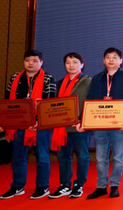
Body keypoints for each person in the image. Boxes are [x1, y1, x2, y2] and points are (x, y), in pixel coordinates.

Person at [0, 50, 56, 200]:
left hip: (38, 125)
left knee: (42, 157)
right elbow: (7, 102)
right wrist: (3, 122)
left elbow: (50, 103)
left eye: (35, 60)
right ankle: (17, 186)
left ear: (41, 63)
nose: (30, 63)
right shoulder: (15, 77)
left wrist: (38, 121)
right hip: (18, 124)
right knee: (18, 157)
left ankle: (43, 186)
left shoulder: (48, 78)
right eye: (27, 60)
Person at [79, 47, 123, 199]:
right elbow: (89, 99)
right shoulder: (97, 78)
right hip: (100, 124)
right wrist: (84, 120)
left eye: (115, 57)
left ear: (121, 61)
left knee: (117, 158)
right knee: (101, 158)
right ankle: (101, 186)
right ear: (103, 60)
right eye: (108, 57)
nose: (111, 60)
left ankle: (115, 185)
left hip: (119, 124)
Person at [48, 53, 91, 199]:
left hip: (79, 126)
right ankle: (65, 185)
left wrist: (82, 121)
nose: (71, 65)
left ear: (82, 65)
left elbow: (90, 104)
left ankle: (79, 184)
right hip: (62, 127)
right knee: (63, 156)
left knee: (82, 155)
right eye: (68, 62)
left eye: (75, 62)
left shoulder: (88, 82)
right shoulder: (59, 83)